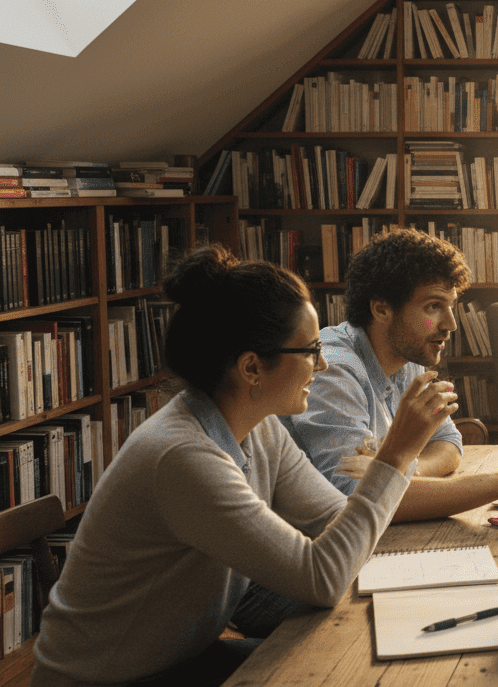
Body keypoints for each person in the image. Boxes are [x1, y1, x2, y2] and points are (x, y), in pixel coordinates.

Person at [33, 246, 443, 687]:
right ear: (252, 368)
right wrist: (395, 456)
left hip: (182, 659)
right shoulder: (183, 457)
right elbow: (322, 576)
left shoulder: (257, 428)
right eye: (310, 350)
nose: (322, 365)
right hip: (110, 680)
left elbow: (335, 518)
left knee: (364, 655)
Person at [283, 227, 498, 521]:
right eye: (434, 306)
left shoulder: (407, 356)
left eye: (451, 307)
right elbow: (358, 498)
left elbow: (449, 443)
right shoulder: (333, 371)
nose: (451, 324)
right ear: (382, 309)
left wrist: (399, 471)